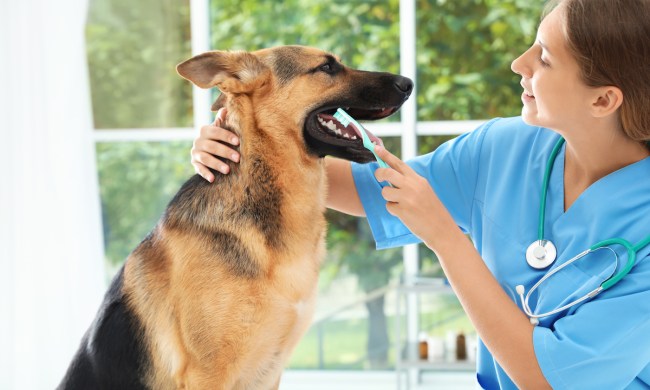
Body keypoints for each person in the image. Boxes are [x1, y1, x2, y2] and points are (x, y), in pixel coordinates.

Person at [189, 0, 650, 388]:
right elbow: (368, 189)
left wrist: (446, 239)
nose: (519, 63)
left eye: (545, 58)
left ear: (603, 100)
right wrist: (243, 145)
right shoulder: (506, 148)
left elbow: (546, 378)